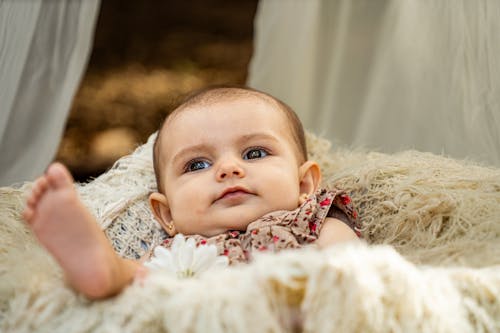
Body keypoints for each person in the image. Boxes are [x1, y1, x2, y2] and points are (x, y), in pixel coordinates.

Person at [22, 86, 360, 299]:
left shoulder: (317, 218)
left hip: (285, 310)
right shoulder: (179, 250)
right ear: (167, 215)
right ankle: (100, 270)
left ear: (304, 185)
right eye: (197, 165)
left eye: (254, 153)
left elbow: (347, 268)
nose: (228, 169)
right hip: (196, 312)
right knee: (137, 275)